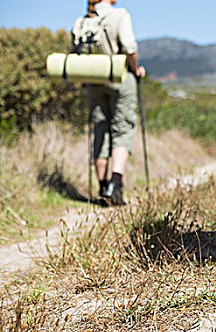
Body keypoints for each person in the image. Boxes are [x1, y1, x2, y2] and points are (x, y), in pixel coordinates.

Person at [79, 0, 146, 205]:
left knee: (100, 130)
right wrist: (136, 70)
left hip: (93, 81)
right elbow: (129, 47)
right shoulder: (119, 15)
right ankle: (115, 186)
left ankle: (102, 187)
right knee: (122, 130)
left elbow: (77, 53)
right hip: (119, 78)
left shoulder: (83, 22)